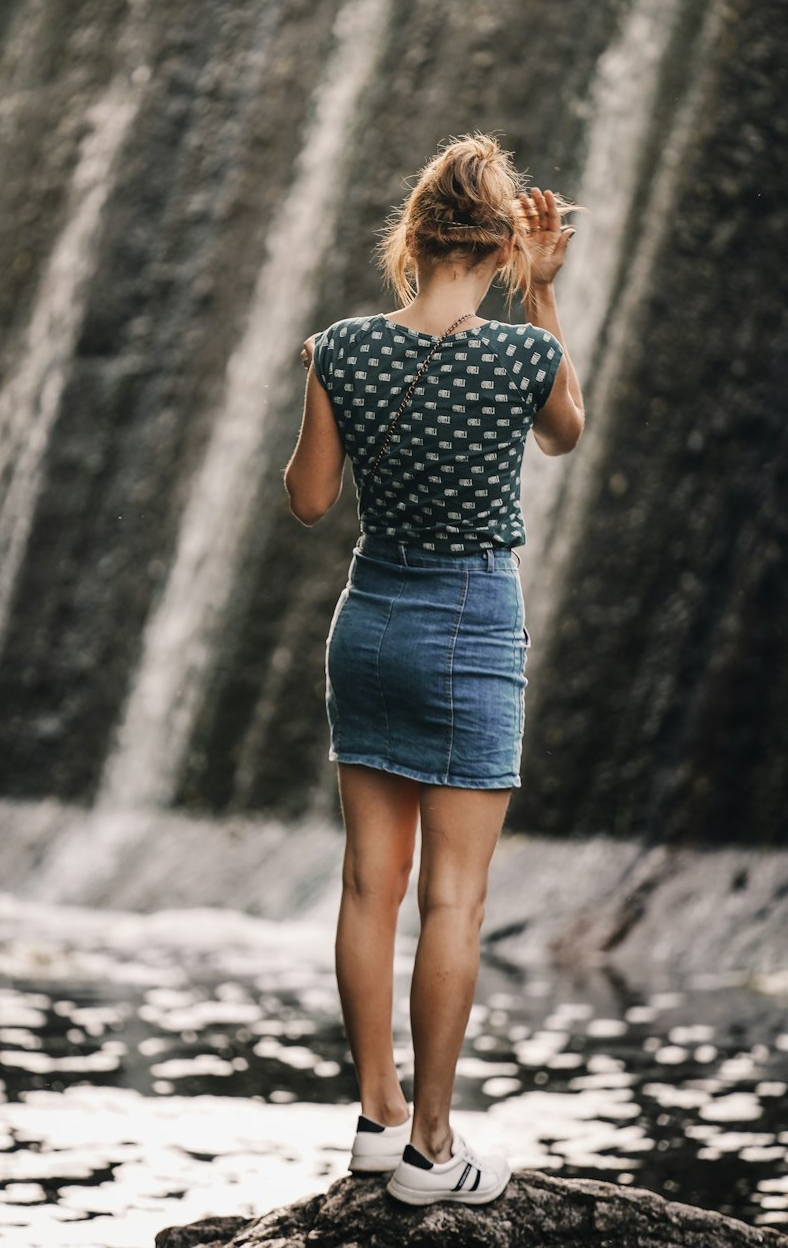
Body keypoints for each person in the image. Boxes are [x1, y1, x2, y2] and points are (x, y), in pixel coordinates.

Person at [282, 133, 584, 1207]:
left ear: (409, 239)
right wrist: (544, 296)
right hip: (472, 622)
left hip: (369, 617)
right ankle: (431, 1148)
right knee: (452, 897)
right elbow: (565, 433)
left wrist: (327, 393)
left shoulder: (339, 348)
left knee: (372, 882)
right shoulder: (521, 354)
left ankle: (374, 1116)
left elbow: (311, 500)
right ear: (505, 247)